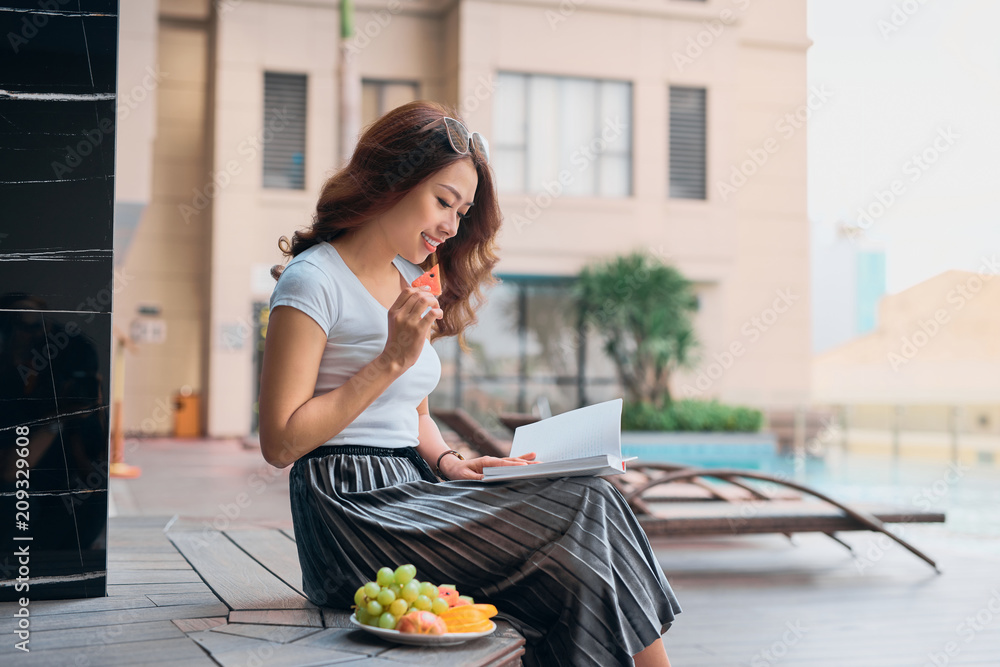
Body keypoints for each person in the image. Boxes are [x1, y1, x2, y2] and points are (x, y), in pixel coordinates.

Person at [257, 100, 681, 666]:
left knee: (593, 503)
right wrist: (388, 360)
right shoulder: (313, 281)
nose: (452, 227)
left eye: (463, 211)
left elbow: (417, 415)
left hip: (415, 484)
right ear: (389, 182)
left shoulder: (409, 280)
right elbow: (280, 443)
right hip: (349, 506)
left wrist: (452, 463)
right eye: (443, 202)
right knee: (583, 508)